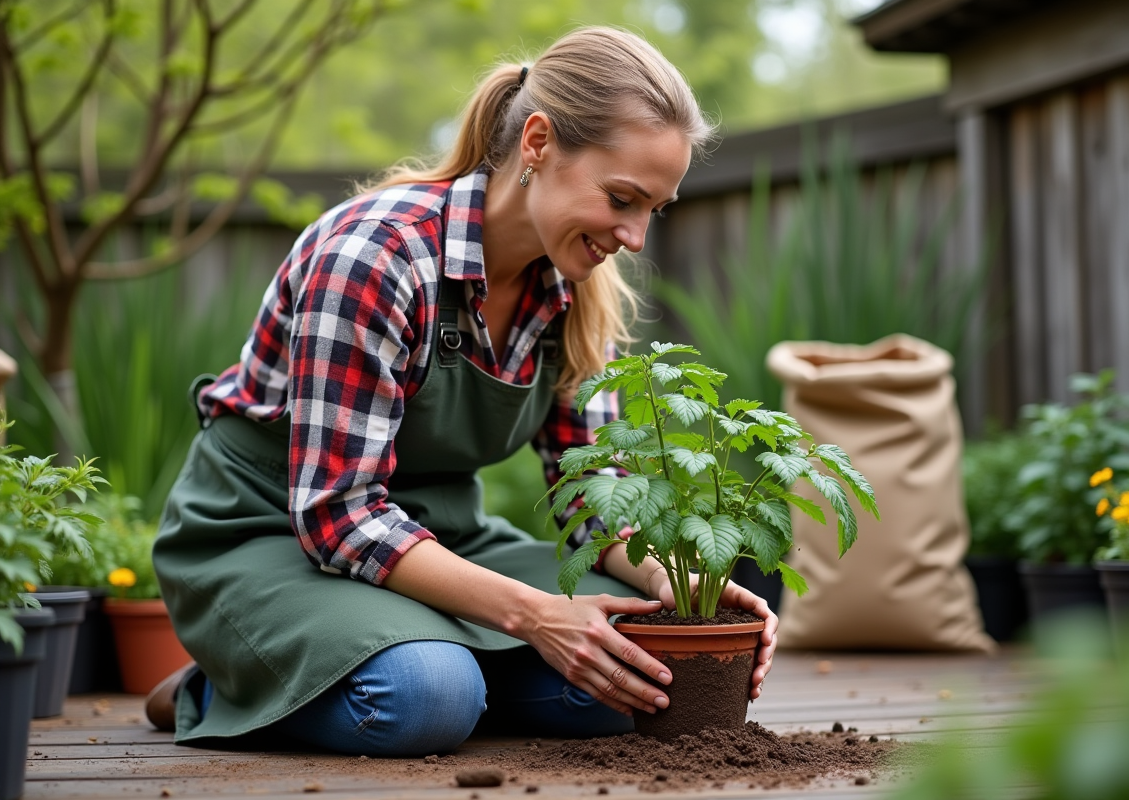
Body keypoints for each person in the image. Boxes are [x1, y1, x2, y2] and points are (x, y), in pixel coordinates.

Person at [148, 26, 778, 757]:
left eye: (653, 210)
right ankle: (222, 684)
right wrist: (538, 619)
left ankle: (436, 659)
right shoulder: (375, 257)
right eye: (621, 198)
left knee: (646, 672)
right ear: (537, 143)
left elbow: (594, 498)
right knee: (424, 696)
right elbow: (337, 516)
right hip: (272, 535)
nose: (635, 237)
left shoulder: (576, 291)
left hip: (440, 539)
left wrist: (683, 593)